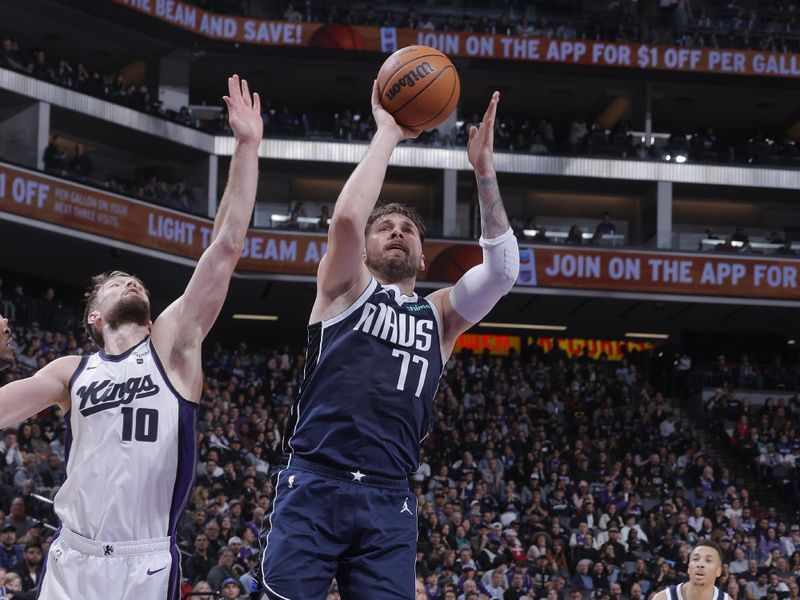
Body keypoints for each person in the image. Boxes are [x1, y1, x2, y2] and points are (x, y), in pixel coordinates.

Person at [0, 74, 262, 600]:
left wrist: (247, 146)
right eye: (116, 282)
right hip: (71, 556)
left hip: (143, 561)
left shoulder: (172, 345)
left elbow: (227, 246)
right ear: (94, 317)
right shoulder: (70, 371)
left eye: (135, 281)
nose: (130, 280)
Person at [258, 82, 519, 598]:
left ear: (424, 259)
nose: (396, 231)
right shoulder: (342, 288)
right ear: (366, 248)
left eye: (407, 229)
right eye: (386, 228)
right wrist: (388, 133)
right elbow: (350, 218)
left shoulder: (440, 314)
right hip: (315, 479)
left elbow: (504, 271)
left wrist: (484, 171)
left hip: (389, 495)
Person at [650, 541, 733, 600]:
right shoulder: (663, 598)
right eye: (696, 559)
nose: (700, 564)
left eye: (708, 560)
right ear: (689, 568)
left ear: (718, 571)